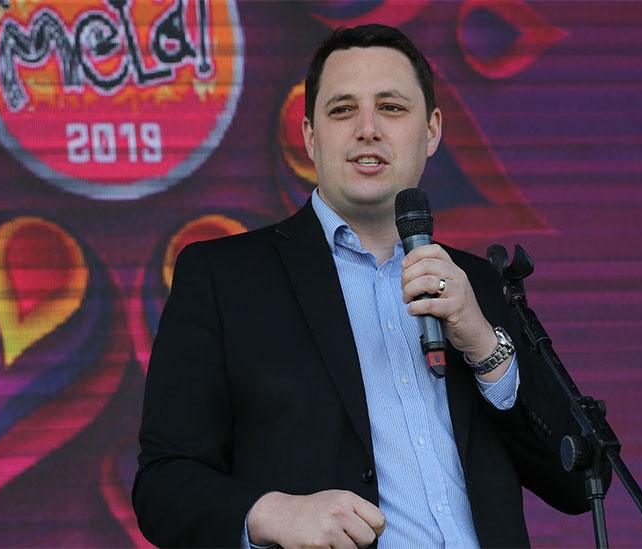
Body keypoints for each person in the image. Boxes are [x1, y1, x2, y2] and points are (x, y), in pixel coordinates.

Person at [133, 24, 606, 548]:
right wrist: (270, 513)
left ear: (432, 132)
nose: (367, 129)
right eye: (342, 110)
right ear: (310, 135)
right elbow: (164, 485)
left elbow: (582, 481)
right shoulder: (223, 277)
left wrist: (483, 345)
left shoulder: (480, 286)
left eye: (392, 107)